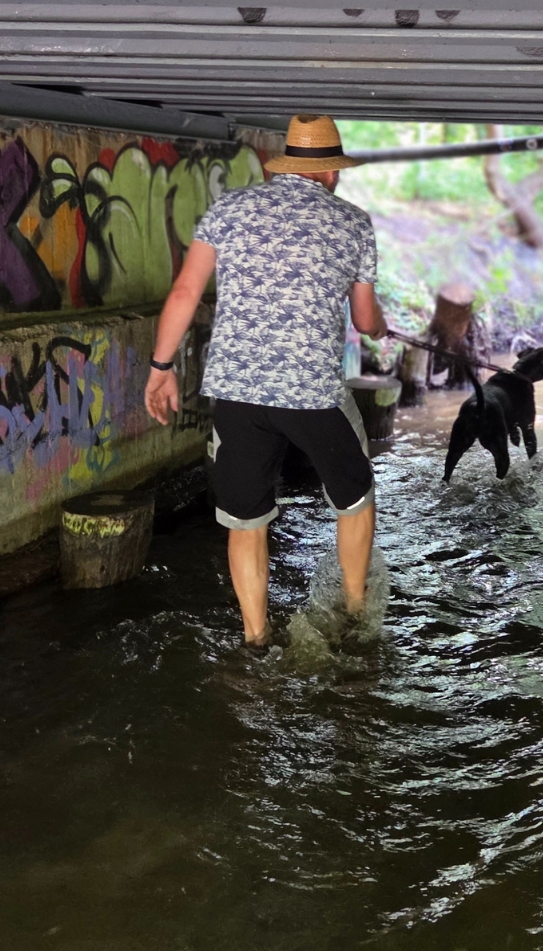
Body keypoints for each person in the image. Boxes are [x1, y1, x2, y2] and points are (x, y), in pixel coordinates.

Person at [144, 115, 387, 649]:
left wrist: (161, 369)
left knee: (246, 520)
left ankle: (255, 639)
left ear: (285, 165)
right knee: (355, 497)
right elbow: (365, 318)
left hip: (237, 396)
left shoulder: (228, 210)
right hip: (314, 395)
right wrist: (379, 327)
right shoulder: (352, 222)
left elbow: (185, 293)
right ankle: (354, 613)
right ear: (331, 172)